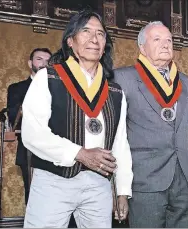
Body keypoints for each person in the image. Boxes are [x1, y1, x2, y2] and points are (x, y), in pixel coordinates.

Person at [21, 10, 133, 228]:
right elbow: (33, 134)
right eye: (86, 31)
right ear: (70, 41)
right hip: (53, 180)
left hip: (99, 183)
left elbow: (120, 143)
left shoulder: (115, 91)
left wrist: (122, 191)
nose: (94, 39)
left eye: (100, 34)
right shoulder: (49, 78)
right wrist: (79, 153)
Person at [113, 21, 188, 228]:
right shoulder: (122, 78)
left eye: (169, 40)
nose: (166, 44)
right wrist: (118, 187)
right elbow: (115, 134)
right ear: (142, 47)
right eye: (157, 39)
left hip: (182, 176)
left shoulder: (185, 82)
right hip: (144, 177)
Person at [6, 47, 51, 205]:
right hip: (29, 150)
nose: (44, 64)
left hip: (55, 150)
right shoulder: (17, 88)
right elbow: (13, 118)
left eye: (48, 61)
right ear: (30, 63)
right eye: (40, 59)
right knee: (33, 195)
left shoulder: (58, 88)